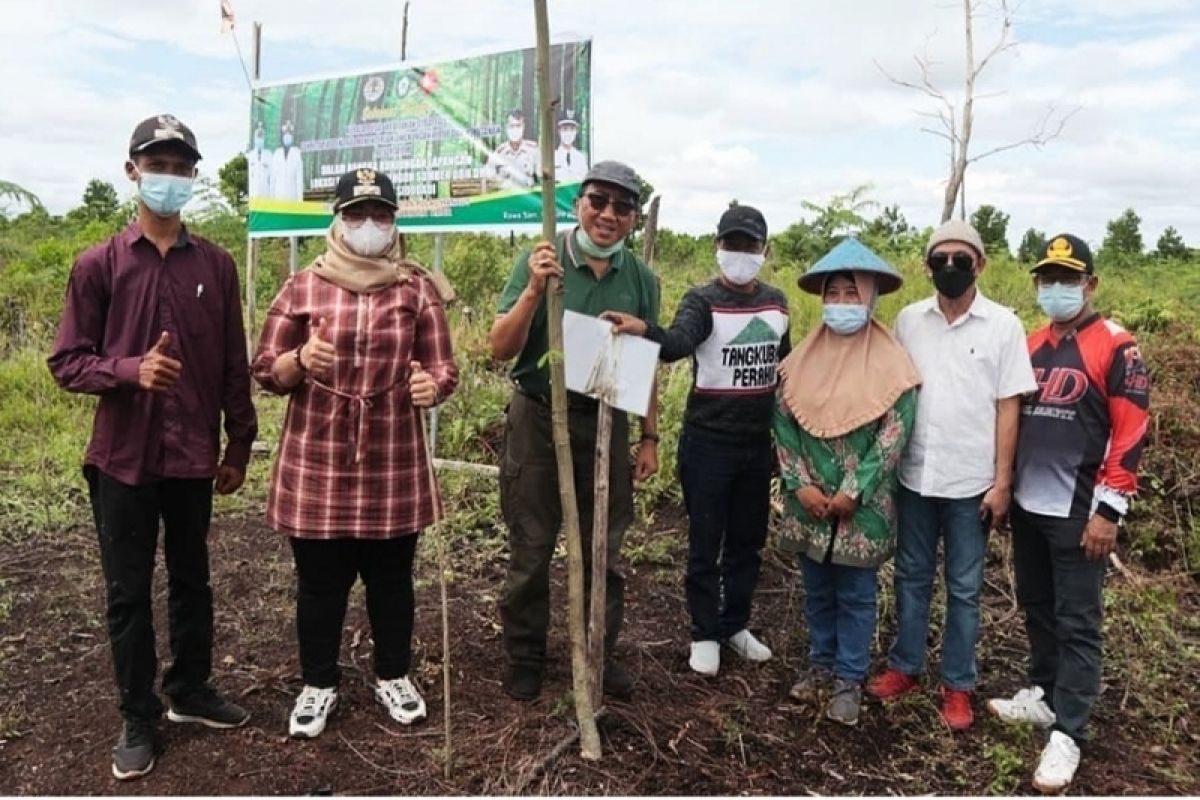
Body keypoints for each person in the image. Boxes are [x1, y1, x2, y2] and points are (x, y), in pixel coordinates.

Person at [47, 114, 258, 780]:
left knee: (193, 579)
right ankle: (137, 715)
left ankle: (189, 690)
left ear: (192, 175)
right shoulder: (99, 265)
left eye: (180, 165)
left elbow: (231, 360)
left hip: (193, 455)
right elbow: (67, 361)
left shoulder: (217, 266)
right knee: (127, 593)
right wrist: (130, 370)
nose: (168, 176)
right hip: (124, 458)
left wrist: (239, 444)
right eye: (156, 164)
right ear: (132, 170)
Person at [251, 168, 458, 739]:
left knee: (392, 580)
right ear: (337, 219)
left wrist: (432, 387)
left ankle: (393, 674)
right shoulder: (301, 286)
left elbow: (443, 366)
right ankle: (318, 683)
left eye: (381, 214)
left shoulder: (416, 288)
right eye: (357, 214)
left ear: (394, 222)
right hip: (316, 459)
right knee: (319, 583)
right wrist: (298, 362)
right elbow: (266, 369)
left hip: (393, 457)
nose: (370, 225)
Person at [490, 160, 660, 700]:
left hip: (606, 422)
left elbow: (647, 359)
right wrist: (534, 292)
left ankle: (598, 654)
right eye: (597, 201)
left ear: (634, 217)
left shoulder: (642, 279)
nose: (608, 214)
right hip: (538, 419)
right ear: (578, 203)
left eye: (622, 206)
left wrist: (650, 437)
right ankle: (525, 655)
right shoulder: (541, 260)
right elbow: (500, 346)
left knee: (603, 551)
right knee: (532, 546)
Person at [987, 234, 1149, 792]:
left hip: (1081, 511)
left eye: (1068, 278)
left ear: (1090, 283)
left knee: (1079, 620)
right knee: (1037, 604)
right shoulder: (1029, 345)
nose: (1056, 288)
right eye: (1047, 279)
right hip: (1030, 504)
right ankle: (1043, 693)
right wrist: (1002, 488)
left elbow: (1131, 432)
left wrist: (1110, 509)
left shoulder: (1116, 346)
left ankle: (1070, 731)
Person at [603, 205, 789, 677]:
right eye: (732, 245)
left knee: (748, 542)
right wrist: (644, 330)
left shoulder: (777, 304)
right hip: (709, 444)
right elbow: (679, 343)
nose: (740, 254)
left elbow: (784, 369)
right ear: (717, 248)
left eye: (749, 246)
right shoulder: (702, 300)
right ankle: (705, 632)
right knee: (706, 543)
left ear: (764, 251)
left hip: (756, 445)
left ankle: (735, 625)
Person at [868, 219, 1037, 730]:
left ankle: (958, 685)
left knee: (964, 587)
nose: (949, 268)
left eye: (960, 260)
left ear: (979, 265)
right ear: (927, 267)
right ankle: (906, 667)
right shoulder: (909, 321)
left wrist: (1002, 482)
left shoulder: (1003, 325)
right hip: (915, 475)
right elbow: (894, 393)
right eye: (939, 260)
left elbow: (1010, 407)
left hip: (971, 484)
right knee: (911, 576)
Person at [774, 239, 920, 726]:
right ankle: (819, 666)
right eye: (832, 294)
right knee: (817, 589)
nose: (840, 303)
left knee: (856, 594)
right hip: (810, 501)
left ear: (871, 298)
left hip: (864, 506)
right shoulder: (801, 360)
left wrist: (853, 489)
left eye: (850, 294)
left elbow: (895, 430)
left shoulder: (893, 363)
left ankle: (848, 679)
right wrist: (800, 485)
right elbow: (783, 422)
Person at [486, 109, 538, 190]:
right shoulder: (498, 153)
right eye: (511, 126)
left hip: (529, 200)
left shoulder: (534, 151)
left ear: (523, 127)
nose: (515, 129)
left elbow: (543, 179)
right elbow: (488, 179)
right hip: (506, 200)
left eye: (518, 126)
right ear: (506, 128)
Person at [269, 119, 304, 200]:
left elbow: (299, 180)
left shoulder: (297, 153)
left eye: (289, 134)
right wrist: (271, 198)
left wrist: (300, 200)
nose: (287, 136)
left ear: (292, 136)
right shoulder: (276, 153)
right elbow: (272, 179)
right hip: (278, 196)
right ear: (283, 135)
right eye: (285, 134)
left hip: (292, 196)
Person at [554, 109, 588, 182]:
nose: (568, 134)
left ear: (577, 131)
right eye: (565, 129)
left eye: (572, 129)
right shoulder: (552, 157)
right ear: (559, 131)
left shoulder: (581, 158)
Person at [247, 120, 272, 198]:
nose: (259, 138)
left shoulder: (269, 155)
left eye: (261, 135)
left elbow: (272, 178)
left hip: (266, 194)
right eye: (258, 134)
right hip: (253, 195)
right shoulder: (250, 155)